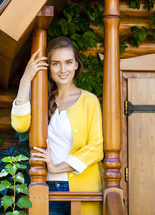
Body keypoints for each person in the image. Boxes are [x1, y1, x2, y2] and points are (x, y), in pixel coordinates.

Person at [11, 37, 104, 215]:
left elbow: (96, 147)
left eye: (68, 62)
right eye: (56, 63)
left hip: (83, 190)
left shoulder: (88, 100)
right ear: (49, 67)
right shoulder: (42, 100)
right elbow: (20, 125)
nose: (63, 69)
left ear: (76, 64)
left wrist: (57, 167)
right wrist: (25, 80)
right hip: (48, 188)